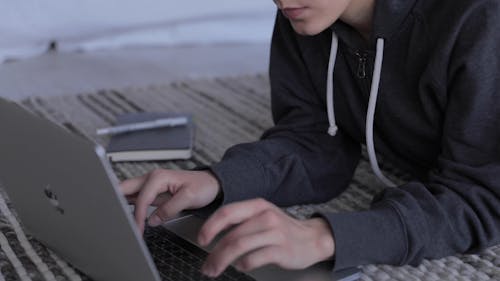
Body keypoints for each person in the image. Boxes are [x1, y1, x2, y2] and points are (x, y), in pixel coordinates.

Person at [121, 0, 500, 278]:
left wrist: (325, 237)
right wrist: (219, 181)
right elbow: (316, 140)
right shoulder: (306, 12)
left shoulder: (480, 21)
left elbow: (484, 196)